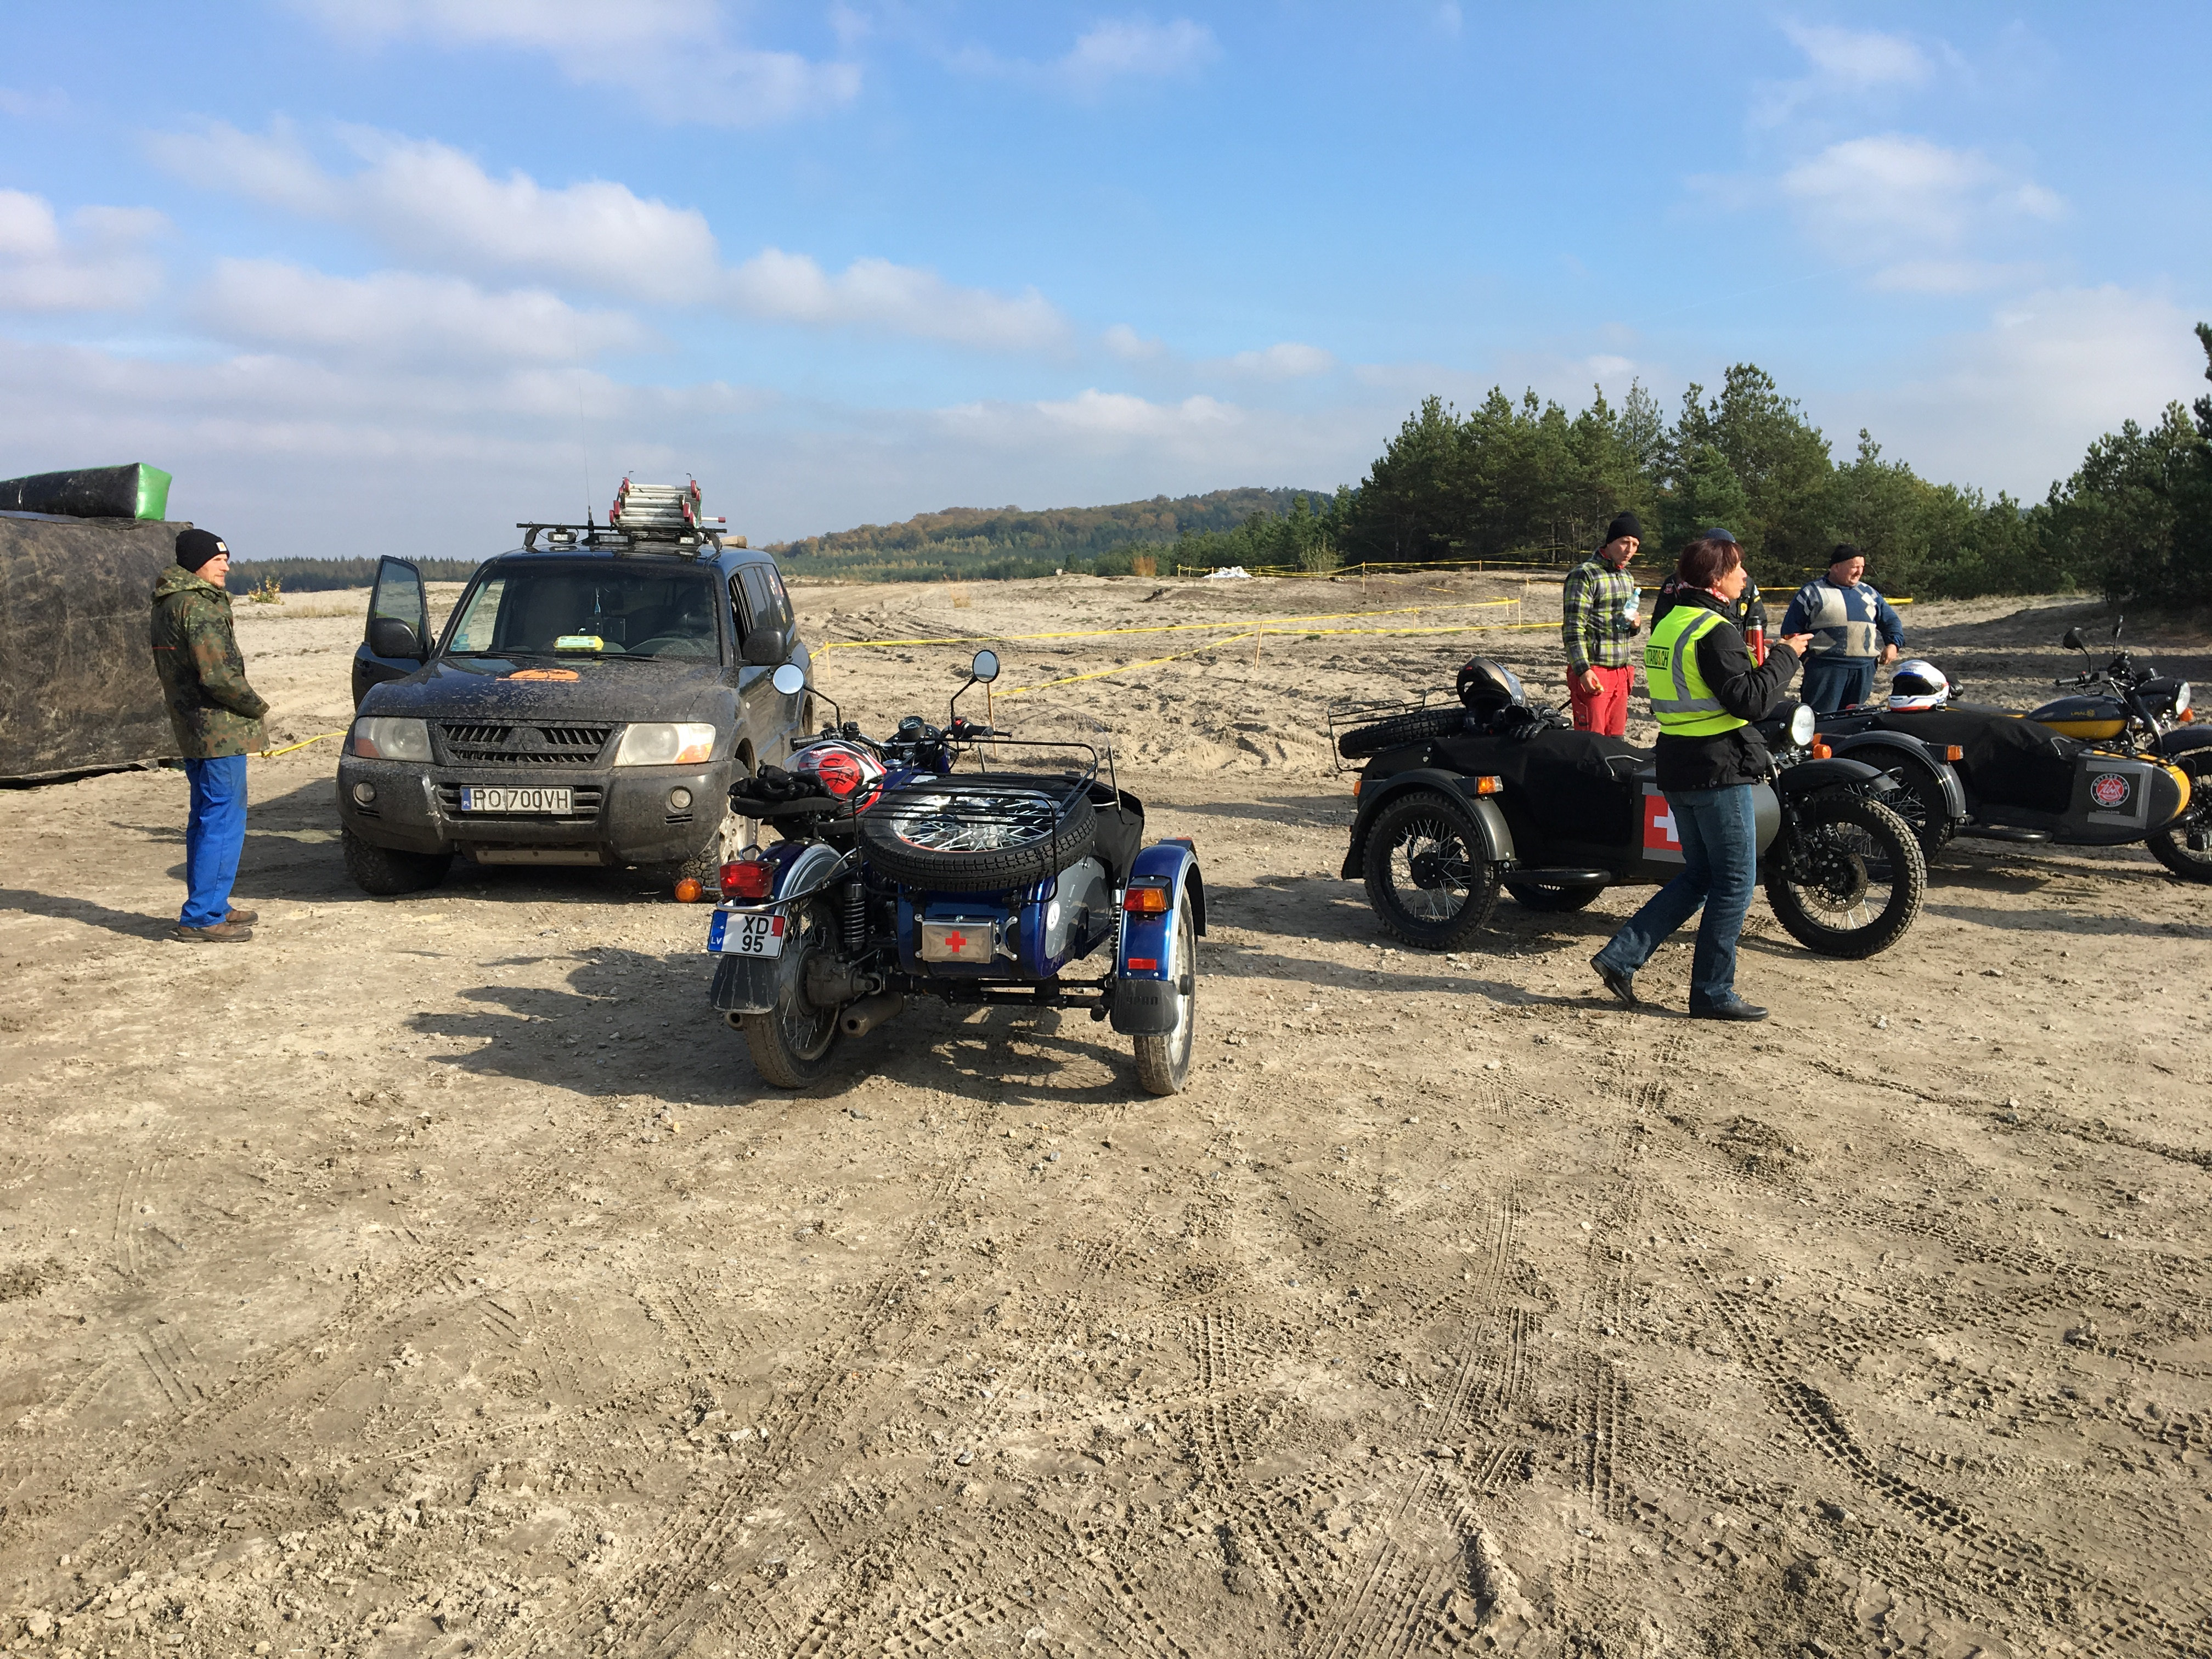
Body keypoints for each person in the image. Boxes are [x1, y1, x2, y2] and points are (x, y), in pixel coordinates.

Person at [1590, 529, 1811, 1022]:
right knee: (1735, 881)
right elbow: (1751, 701)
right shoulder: (1714, 630)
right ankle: (1712, 992)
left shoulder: (1670, 623)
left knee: (1701, 875)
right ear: (1716, 580)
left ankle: (1621, 957)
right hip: (1718, 768)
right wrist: (1787, 655)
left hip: (1678, 764)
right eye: (1737, 569)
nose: (1744, 577)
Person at [150, 527, 268, 943]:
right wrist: (257, 706)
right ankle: (202, 916)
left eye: (226, 559)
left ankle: (212, 903)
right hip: (218, 732)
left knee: (204, 818)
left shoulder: (170, 602)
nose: (226, 567)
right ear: (197, 563)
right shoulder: (198, 607)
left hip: (193, 730)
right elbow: (219, 677)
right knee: (222, 820)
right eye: (218, 560)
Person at [1782, 544, 1904, 714]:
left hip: (1863, 671)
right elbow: (1790, 631)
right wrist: (1806, 659)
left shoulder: (1870, 593)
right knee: (1823, 719)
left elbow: (1891, 621)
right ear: (1836, 567)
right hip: (1825, 670)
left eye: (1862, 567)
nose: (1859, 572)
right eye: (1854, 567)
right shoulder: (1812, 593)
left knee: (1854, 719)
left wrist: (1893, 644)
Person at [1561, 511, 1644, 736]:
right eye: (1625, 542)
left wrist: (1634, 625)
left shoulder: (1627, 577)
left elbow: (1620, 625)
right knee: (1592, 741)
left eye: (1635, 545)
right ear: (1610, 541)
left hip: (1621, 672)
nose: (1630, 550)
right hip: (1595, 670)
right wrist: (1583, 670)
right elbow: (1573, 628)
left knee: (1616, 740)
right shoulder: (1584, 575)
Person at [1652, 564, 1768, 662]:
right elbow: (1660, 625)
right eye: (1736, 566)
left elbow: (1758, 620)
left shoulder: (1746, 583)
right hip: (1696, 657)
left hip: (1735, 657)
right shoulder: (1678, 582)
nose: (1744, 574)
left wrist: (1752, 649)